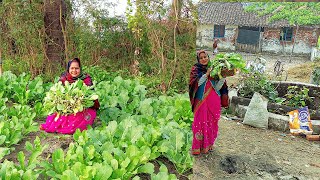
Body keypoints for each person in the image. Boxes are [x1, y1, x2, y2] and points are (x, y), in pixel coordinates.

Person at [40, 58, 100, 134]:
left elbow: (91, 96)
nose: (74, 71)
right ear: (68, 69)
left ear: (80, 69)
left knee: (80, 116)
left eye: (76, 68)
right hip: (65, 107)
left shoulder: (86, 79)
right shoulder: (64, 78)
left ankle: (71, 128)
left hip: (81, 108)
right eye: (72, 68)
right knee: (57, 114)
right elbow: (58, 92)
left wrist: (80, 100)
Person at [189, 50, 229, 155]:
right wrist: (206, 74)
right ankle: (198, 147)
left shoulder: (215, 69)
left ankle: (208, 145)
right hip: (200, 102)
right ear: (198, 59)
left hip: (213, 101)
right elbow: (196, 83)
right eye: (201, 58)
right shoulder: (195, 69)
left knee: (211, 123)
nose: (203, 59)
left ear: (208, 57)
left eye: (205, 57)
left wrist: (223, 77)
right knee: (199, 123)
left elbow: (217, 87)